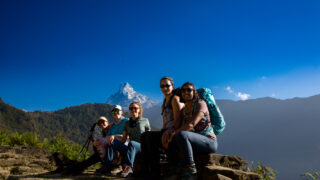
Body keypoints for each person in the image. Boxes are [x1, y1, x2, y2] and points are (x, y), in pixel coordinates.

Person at [168, 82, 218, 179]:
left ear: (194, 92)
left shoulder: (201, 103)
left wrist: (174, 133)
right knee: (172, 140)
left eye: (189, 90)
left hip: (208, 141)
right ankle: (175, 168)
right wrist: (169, 132)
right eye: (183, 90)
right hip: (195, 142)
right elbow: (175, 125)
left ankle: (191, 169)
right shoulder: (184, 110)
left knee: (182, 135)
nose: (186, 92)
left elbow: (191, 125)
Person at [141, 76, 184, 177]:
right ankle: (146, 169)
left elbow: (179, 121)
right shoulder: (164, 102)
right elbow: (165, 122)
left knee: (150, 137)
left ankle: (155, 172)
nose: (165, 88)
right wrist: (163, 132)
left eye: (167, 85)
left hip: (175, 131)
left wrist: (168, 132)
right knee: (144, 136)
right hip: (167, 130)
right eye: (162, 86)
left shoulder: (175, 99)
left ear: (172, 86)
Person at [120, 101, 151, 177]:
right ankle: (108, 166)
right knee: (113, 143)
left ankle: (129, 167)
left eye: (135, 108)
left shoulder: (145, 120)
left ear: (139, 109)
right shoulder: (127, 123)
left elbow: (149, 136)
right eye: (131, 108)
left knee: (132, 143)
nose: (133, 110)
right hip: (131, 147)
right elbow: (124, 139)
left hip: (142, 147)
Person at [101, 105, 129, 175]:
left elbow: (130, 136)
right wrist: (111, 138)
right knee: (110, 143)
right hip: (116, 146)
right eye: (113, 111)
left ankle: (108, 168)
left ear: (122, 112)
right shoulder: (112, 126)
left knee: (112, 142)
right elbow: (108, 137)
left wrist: (115, 136)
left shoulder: (127, 121)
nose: (115, 112)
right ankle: (108, 168)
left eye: (117, 111)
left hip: (127, 145)